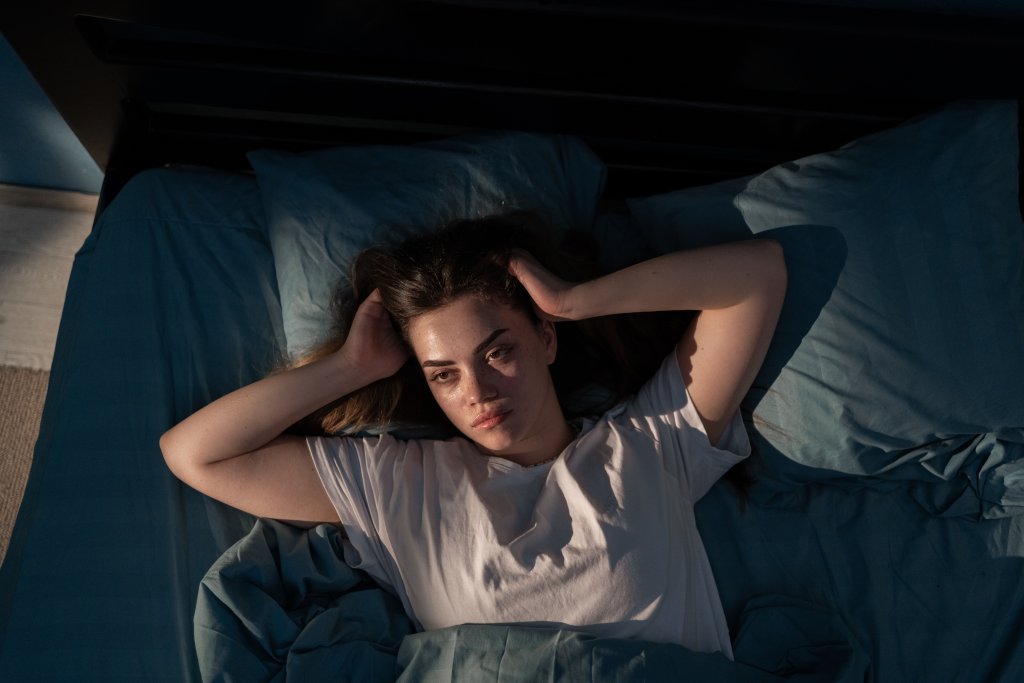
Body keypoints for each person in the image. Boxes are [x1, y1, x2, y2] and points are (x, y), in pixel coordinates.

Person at [160, 212, 787, 658]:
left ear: (545, 339)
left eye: (497, 352)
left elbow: (756, 276)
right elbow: (196, 454)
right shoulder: (400, 485)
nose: (477, 392)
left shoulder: (649, 442)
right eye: (444, 374)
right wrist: (353, 368)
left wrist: (574, 300)